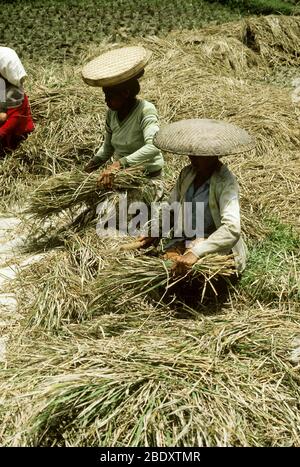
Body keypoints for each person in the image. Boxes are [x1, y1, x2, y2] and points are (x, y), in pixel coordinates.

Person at [135, 119, 254, 279]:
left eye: (199, 155)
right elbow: (172, 209)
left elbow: (232, 229)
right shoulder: (187, 174)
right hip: (187, 239)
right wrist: (155, 232)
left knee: (191, 275)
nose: (192, 158)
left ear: (214, 155)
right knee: (167, 266)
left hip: (212, 245)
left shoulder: (225, 182)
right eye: (192, 153)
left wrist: (196, 252)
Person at [82, 47, 164, 200]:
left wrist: (118, 164)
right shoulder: (111, 114)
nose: (106, 100)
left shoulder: (145, 110)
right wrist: (91, 166)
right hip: (121, 178)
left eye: (109, 96)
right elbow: (107, 148)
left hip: (146, 179)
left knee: (122, 215)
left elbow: (153, 145)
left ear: (125, 93)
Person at [0, 47, 34, 155]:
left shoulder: (14, 94)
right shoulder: (2, 83)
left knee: (12, 142)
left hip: (11, 131)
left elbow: (10, 121)